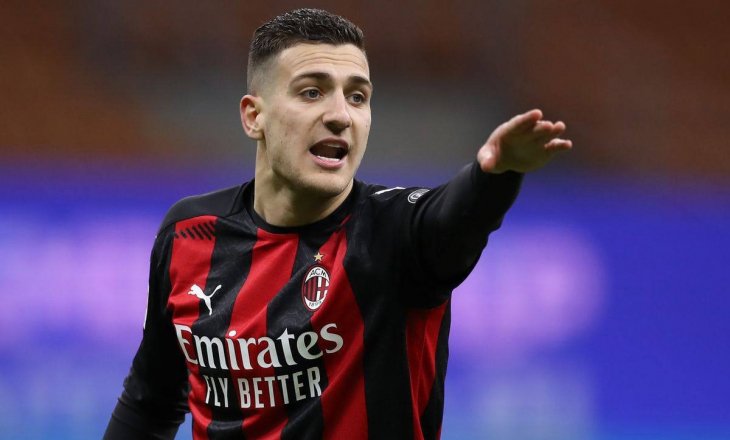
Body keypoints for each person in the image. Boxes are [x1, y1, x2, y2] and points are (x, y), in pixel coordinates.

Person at [104, 8, 572, 440]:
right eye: (312, 92)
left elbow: (454, 220)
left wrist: (494, 175)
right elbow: (150, 403)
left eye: (357, 96)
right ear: (254, 116)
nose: (340, 115)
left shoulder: (393, 233)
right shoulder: (189, 234)